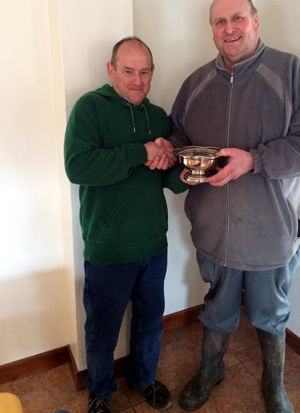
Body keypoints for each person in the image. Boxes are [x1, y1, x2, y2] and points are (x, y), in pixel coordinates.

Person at [162, 0, 300, 412]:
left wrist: (254, 159)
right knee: (217, 307)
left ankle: (274, 386)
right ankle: (210, 372)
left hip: (269, 231)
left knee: (270, 314)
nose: (229, 29)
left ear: (256, 21)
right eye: (220, 22)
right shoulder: (196, 82)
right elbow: (180, 135)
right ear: (212, 31)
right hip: (213, 229)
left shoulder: (290, 71)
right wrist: (179, 161)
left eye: (237, 18)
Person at [64, 37, 187, 413]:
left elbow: (168, 180)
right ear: (111, 70)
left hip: (153, 245)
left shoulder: (158, 116)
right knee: (102, 330)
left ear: (152, 73)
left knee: (150, 323)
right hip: (108, 248)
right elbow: (78, 167)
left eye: (144, 71)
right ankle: (100, 393)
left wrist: (190, 172)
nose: (137, 80)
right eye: (128, 71)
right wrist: (142, 151)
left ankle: (144, 379)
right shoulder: (90, 108)